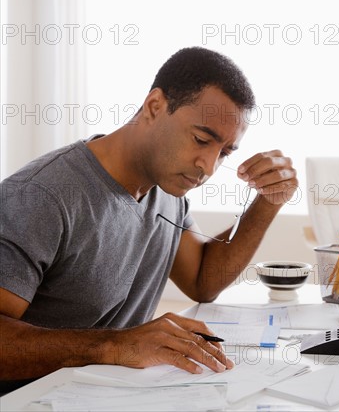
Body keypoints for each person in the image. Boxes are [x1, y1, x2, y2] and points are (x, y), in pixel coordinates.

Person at [0, 47, 297, 389]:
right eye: (201, 139)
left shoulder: (164, 186)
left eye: (225, 152)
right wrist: (116, 344)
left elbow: (203, 280)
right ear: (155, 106)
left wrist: (268, 201)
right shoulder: (41, 195)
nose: (209, 166)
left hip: (110, 395)